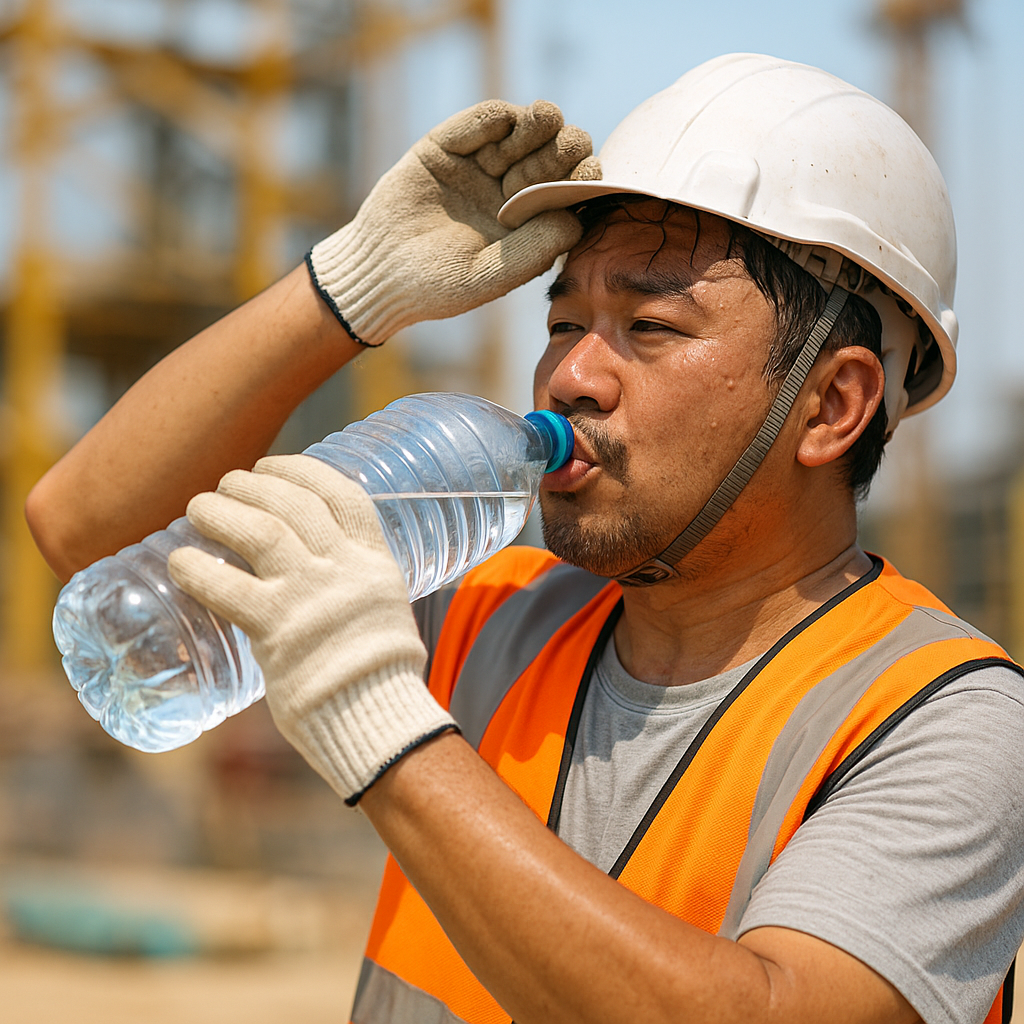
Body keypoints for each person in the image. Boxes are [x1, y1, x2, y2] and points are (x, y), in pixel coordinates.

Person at [28, 54, 1024, 1024]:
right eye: (563, 322)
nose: (571, 376)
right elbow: (87, 531)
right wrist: (350, 289)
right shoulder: (491, 612)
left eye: (650, 327)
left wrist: (379, 723)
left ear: (832, 404)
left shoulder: (940, 720)